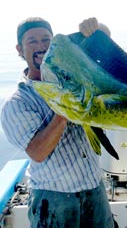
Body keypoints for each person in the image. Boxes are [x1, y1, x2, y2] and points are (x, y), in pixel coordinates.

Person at [1, 17, 115, 228]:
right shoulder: (17, 102)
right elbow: (38, 152)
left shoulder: (73, 76)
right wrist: (65, 109)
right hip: (54, 199)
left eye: (46, 40)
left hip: (95, 189)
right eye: (32, 41)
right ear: (19, 49)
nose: (41, 46)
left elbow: (104, 38)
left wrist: (95, 29)